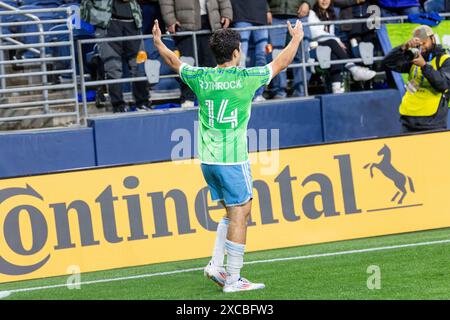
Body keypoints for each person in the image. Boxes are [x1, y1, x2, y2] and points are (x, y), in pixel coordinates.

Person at [152, 18, 304, 292]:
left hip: (208, 161)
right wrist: (295, 39)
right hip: (232, 159)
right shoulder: (246, 79)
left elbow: (174, 63)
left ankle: (216, 265)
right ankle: (233, 279)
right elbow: (280, 63)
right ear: (236, 53)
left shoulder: (202, 78)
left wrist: (158, 42)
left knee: (234, 211)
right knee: (242, 212)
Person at [81, 0, 152, 113]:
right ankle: (118, 105)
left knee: (139, 65)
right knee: (113, 68)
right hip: (108, 24)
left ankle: (142, 102)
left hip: (133, 22)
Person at [159, 0, 233, 108]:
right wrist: (170, 20)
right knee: (187, 64)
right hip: (185, 25)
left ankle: (213, 97)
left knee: (211, 63)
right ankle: (188, 97)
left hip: (211, 24)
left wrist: (226, 14)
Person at [383, 25, 450, 133]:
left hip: (432, 121)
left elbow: (443, 84)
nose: (422, 46)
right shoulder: (413, 59)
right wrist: (402, 48)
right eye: (419, 43)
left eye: (424, 42)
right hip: (408, 118)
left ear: (433, 39)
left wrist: (424, 66)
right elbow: (388, 63)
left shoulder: (445, 60)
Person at [308, 0, 376, 93]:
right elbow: (315, 33)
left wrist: (336, 40)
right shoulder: (311, 13)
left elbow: (330, 34)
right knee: (333, 43)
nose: (325, 1)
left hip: (327, 44)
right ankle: (353, 69)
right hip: (315, 44)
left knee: (335, 52)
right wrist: (336, 40)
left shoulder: (329, 13)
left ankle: (336, 87)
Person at [267, 0, 313, 98]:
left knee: (303, 55)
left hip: (300, 15)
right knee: (276, 55)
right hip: (275, 16)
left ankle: (301, 90)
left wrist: (308, 3)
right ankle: (279, 92)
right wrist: (266, 9)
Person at [231, 0, 270, 102]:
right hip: (240, 15)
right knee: (240, 59)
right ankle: (242, 94)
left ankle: (259, 93)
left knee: (262, 57)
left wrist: (267, 10)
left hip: (261, 16)